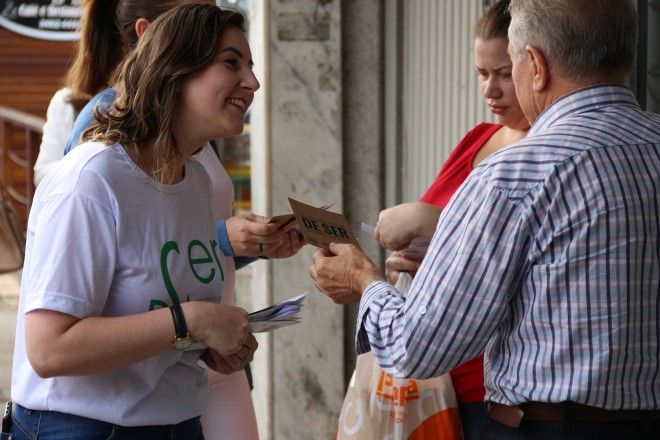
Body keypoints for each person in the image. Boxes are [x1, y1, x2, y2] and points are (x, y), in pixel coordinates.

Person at [311, 0, 660, 439]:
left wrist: (363, 280)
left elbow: (415, 347)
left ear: (534, 64)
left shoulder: (512, 174)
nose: (495, 85)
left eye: (508, 65)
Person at [31, 1, 305, 438]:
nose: (252, 82)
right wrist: (190, 321)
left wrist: (211, 343)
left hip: (179, 421)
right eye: (231, 63)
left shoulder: (194, 178)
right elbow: (48, 349)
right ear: (175, 70)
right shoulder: (91, 180)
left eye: (250, 66)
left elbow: (154, 305)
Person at [372, 2, 527, 437]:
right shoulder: (476, 139)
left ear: (535, 67)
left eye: (503, 73)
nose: (489, 90)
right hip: (433, 374)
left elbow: (517, 244)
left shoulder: (546, 154)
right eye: (481, 73)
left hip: (493, 387)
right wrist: (409, 263)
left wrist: (433, 222)